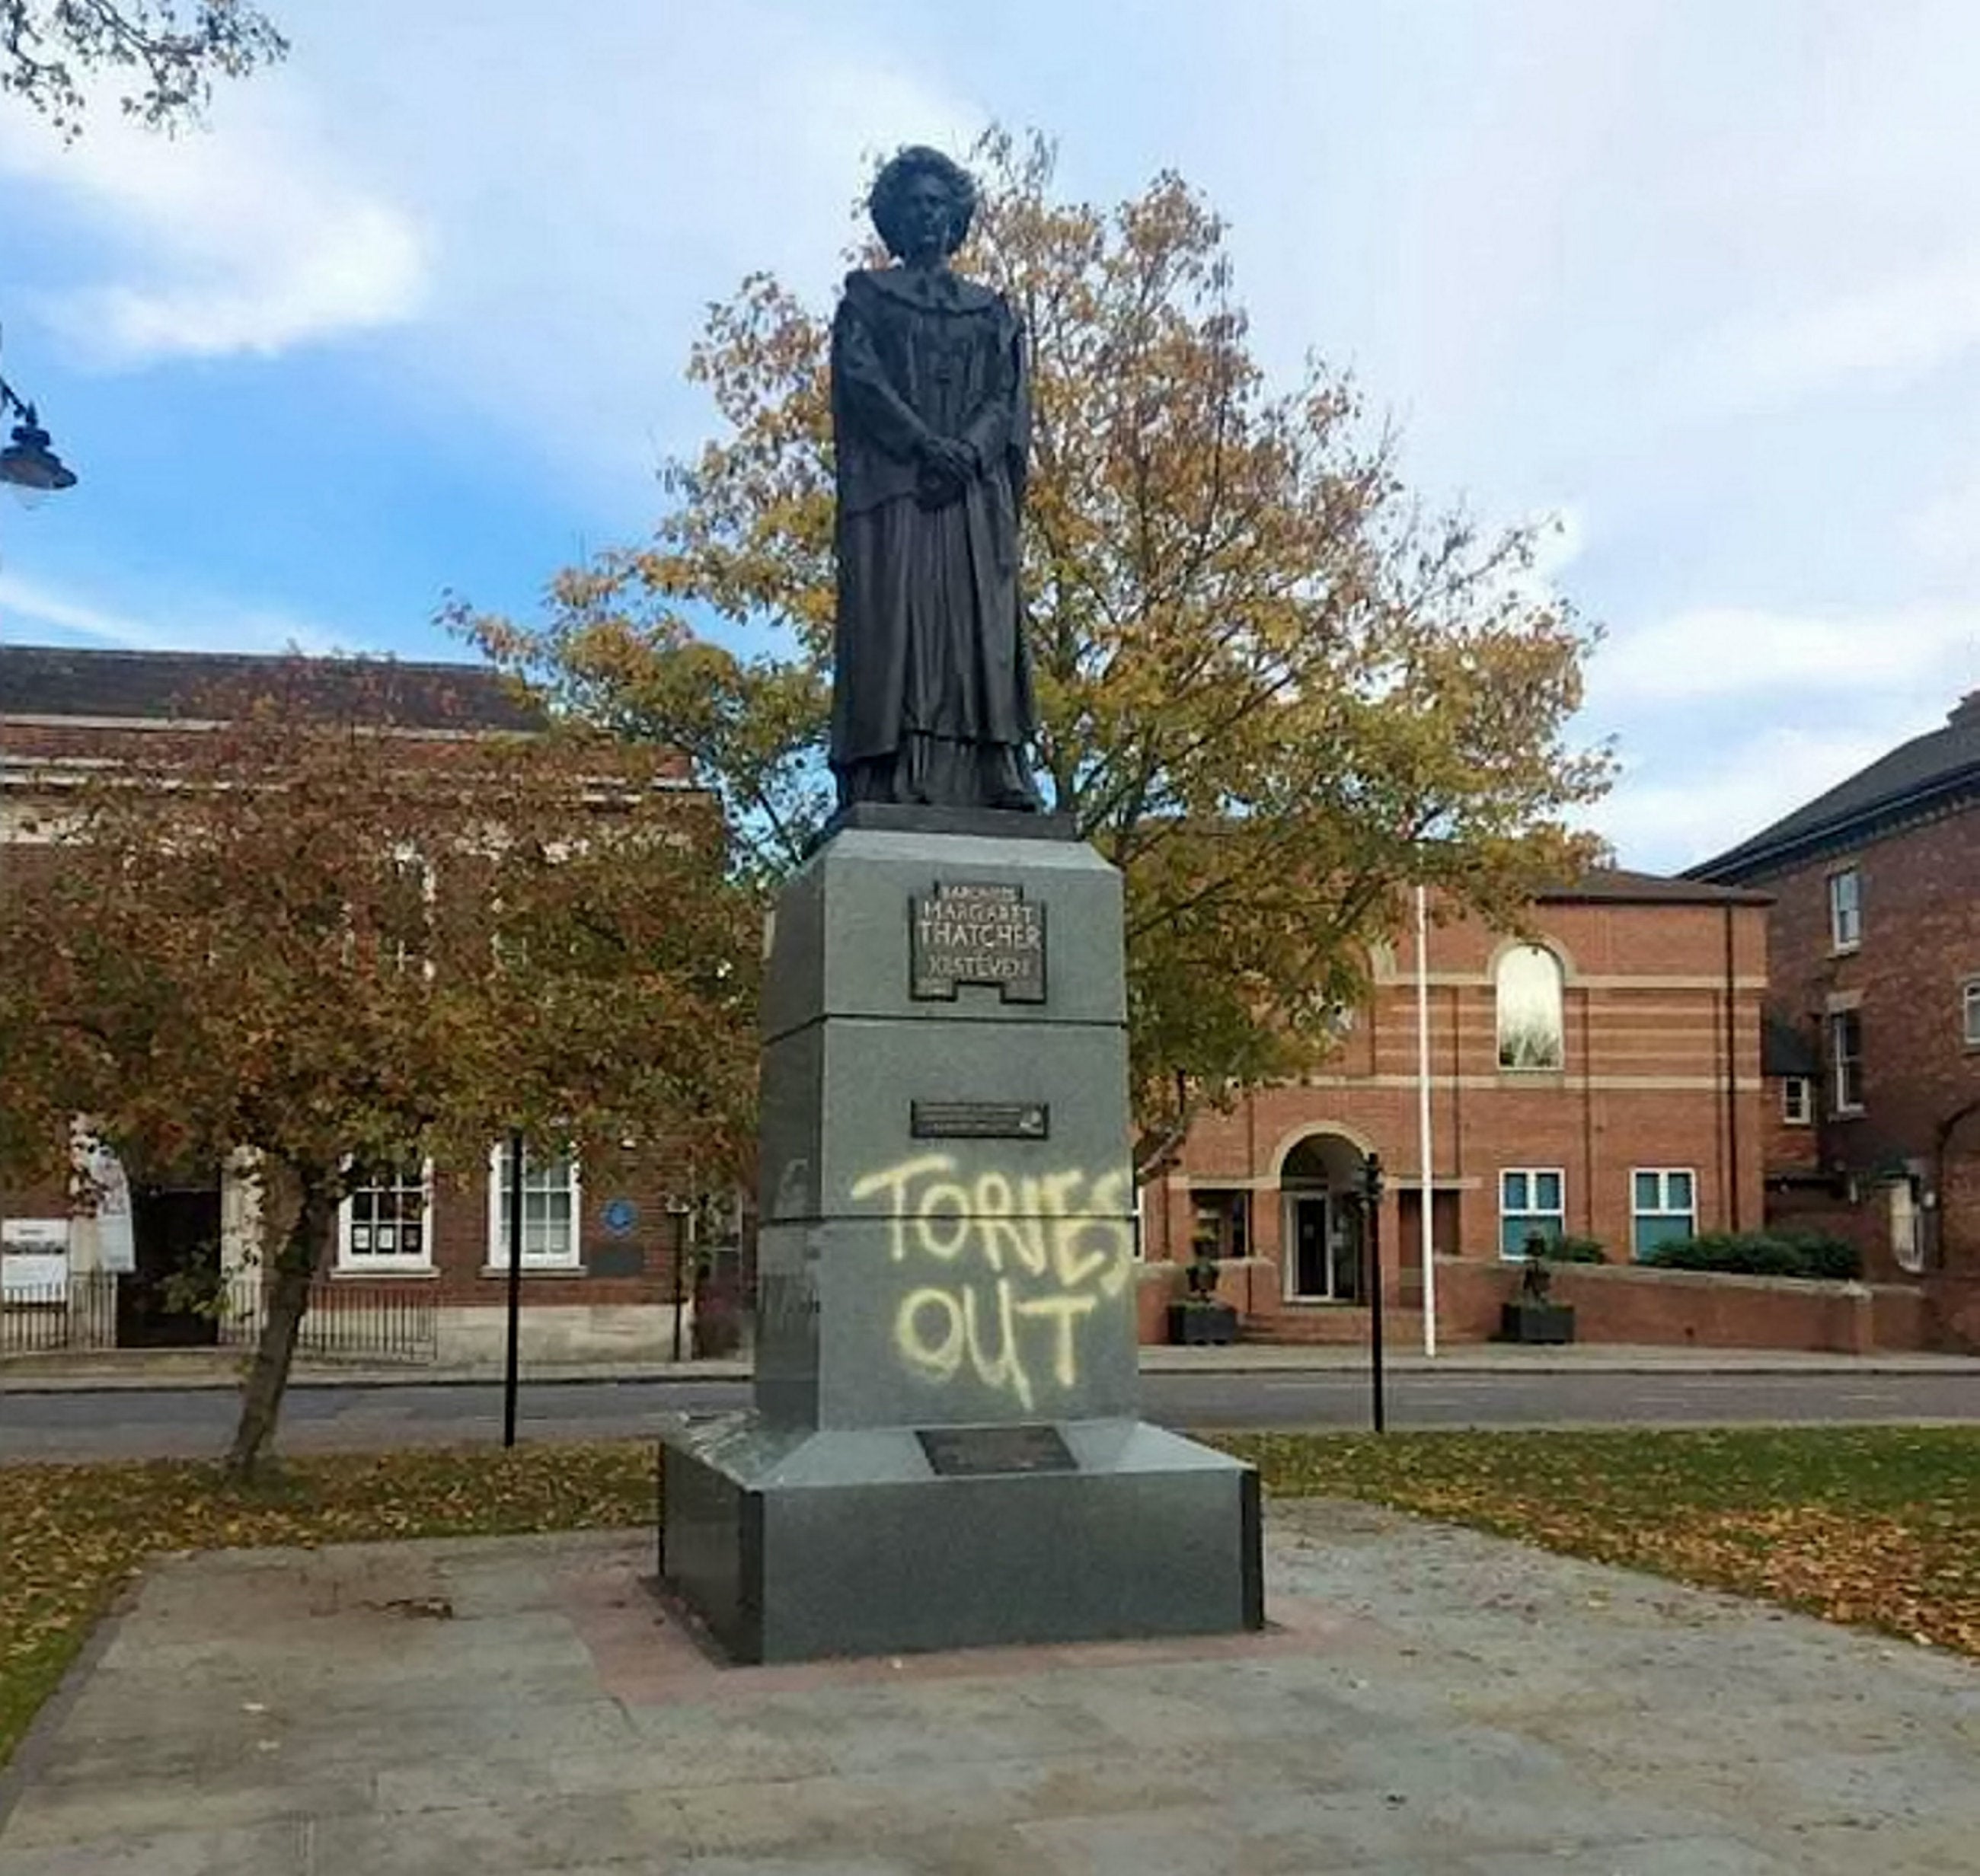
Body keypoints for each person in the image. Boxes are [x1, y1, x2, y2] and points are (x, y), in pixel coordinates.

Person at [827, 147, 1042, 811]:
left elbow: (1006, 396)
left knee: (983, 630)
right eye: (914, 203)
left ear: (956, 218)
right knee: (898, 630)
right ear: (894, 217)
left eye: (937, 204)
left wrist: (970, 454)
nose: (927, 214)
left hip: (972, 496)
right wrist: (925, 447)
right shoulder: (869, 299)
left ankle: (994, 767)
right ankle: (892, 771)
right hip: (898, 491)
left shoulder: (990, 312)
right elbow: (862, 383)